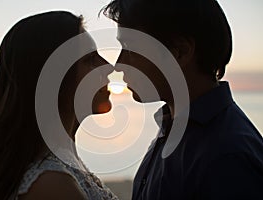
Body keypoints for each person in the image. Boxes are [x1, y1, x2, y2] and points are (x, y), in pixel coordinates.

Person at [102, 0, 263, 199]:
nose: (118, 64)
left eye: (129, 48)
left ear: (180, 51)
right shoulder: (176, 128)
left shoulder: (227, 155)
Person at [0, 11, 118, 200]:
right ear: (54, 80)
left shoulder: (62, 164)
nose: (109, 66)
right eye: (90, 60)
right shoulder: (51, 184)